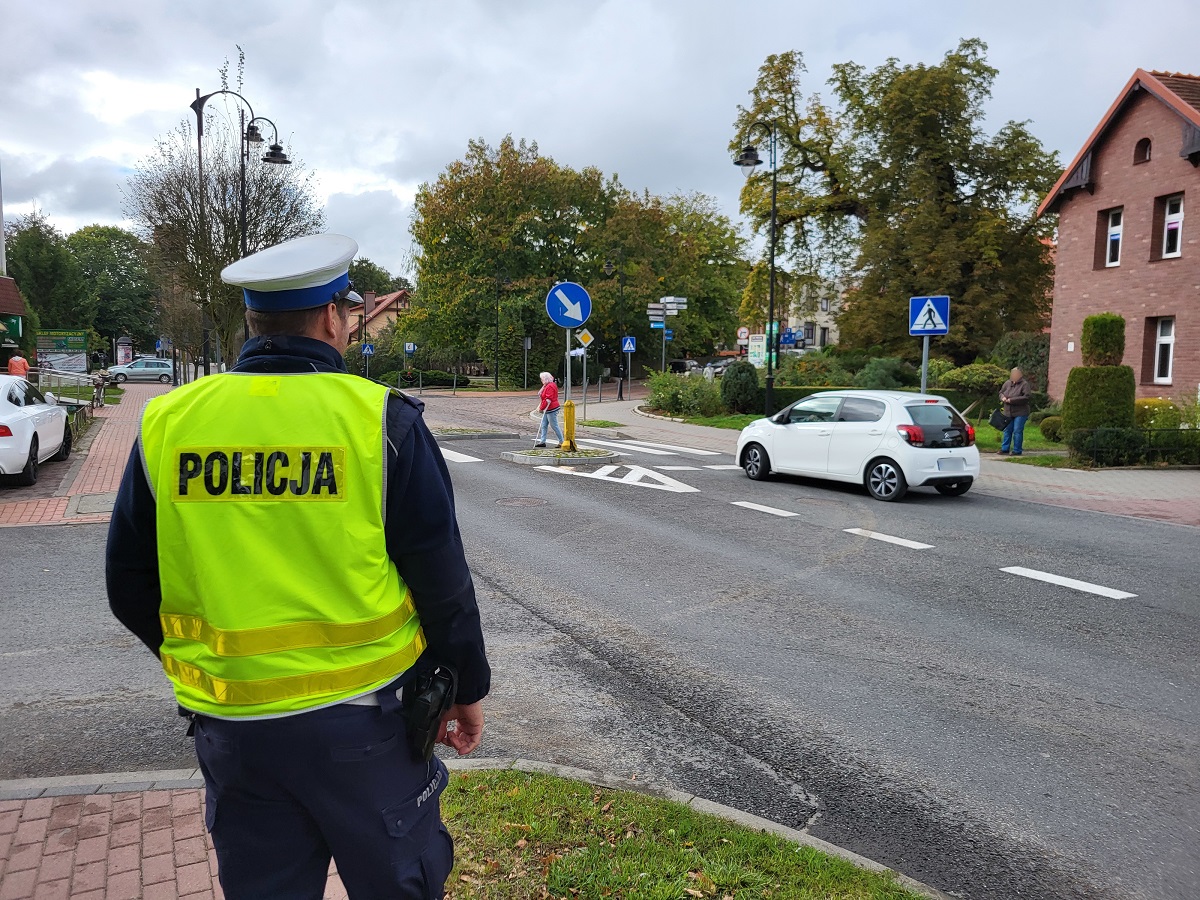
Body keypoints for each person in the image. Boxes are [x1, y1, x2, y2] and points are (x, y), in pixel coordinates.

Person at [105, 233, 490, 900]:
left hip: (235, 734)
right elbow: (442, 582)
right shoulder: (380, 422)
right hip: (367, 728)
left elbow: (129, 584)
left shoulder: (169, 424)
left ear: (253, 321)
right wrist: (467, 686)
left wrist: (208, 666)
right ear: (330, 319)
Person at [998, 366, 1032, 456]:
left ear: (1020, 375)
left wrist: (1011, 400)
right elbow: (1001, 392)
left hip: (1020, 412)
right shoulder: (1007, 383)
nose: (1013, 375)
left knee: (1017, 430)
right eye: (1012, 374)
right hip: (1008, 411)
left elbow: (1026, 397)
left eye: (1015, 374)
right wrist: (1003, 398)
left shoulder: (1024, 384)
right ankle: (1005, 449)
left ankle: (1017, 450)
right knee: (1007, 430)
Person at [534, 370, 563, 448]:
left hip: (551, 408)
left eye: (542, 379)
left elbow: (548, 399)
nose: (541, 380)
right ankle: (542, 441)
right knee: (544, 425)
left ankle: (561, 441)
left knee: (554, 425)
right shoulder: (547, 385)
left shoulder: (550, 386)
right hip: (548, 409)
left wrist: (541, 408)